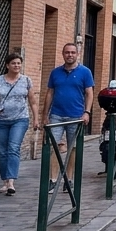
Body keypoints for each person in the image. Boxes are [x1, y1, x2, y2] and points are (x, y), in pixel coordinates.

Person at [41, 43, 94, 193]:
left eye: (72, 52)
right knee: (53, 147)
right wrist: (45, 115)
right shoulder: (55, 72)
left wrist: (87, 112)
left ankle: (69, 180)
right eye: (67, 52)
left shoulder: (85, 72)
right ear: (63, 54)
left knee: (73, 149)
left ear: (77, 54)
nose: (69, 55)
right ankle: (52, 180)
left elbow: (89, 93)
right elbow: (50, 93)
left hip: (76, 116)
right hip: (56, 115)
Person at [0, 52, 36, 195]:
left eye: (19, 63)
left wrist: (36, 118)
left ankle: (11, 181)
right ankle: (5, 181)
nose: (16, 65)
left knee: (13, 148)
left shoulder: (26, 80)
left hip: (20, 119)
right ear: (7, 65)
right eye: (13, 63)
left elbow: (32, 101)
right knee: (2, 151)